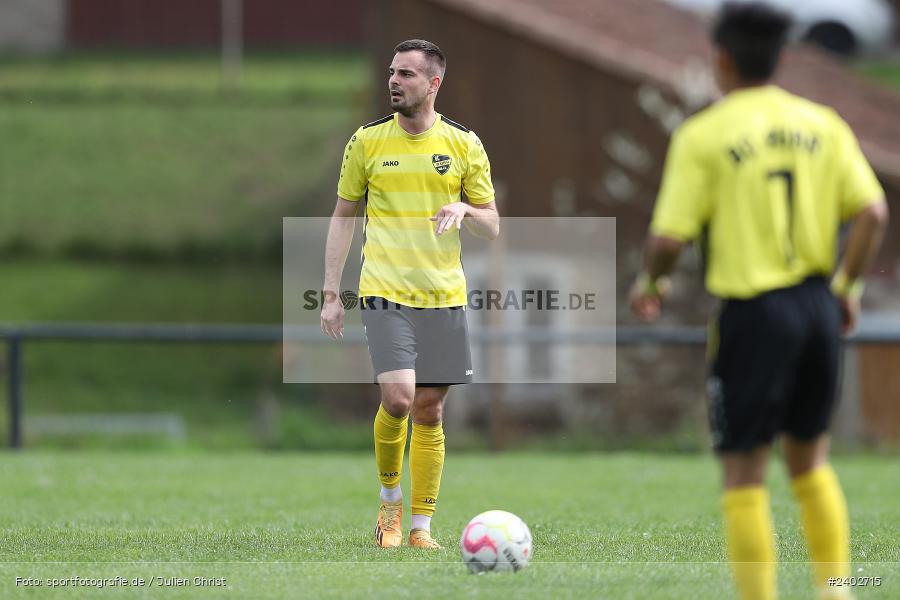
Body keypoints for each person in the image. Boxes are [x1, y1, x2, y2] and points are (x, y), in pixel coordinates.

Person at [629, 3, 889, 599]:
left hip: (753, 313)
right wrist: (846, 287)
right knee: (811, 462)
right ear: (780, 58)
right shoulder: (822, 123)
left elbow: (667, 238)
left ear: (721, 59)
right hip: (817, 306)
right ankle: (836, 590)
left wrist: (652, 284)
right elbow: (873, 212)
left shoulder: (705, 133)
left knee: (745, 472)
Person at [320, 39, 499, 549]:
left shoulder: (464, 144)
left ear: (434, 83)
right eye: (392, 72)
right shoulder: (367, 141)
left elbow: (492, 225)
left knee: (429, 410)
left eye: (407, 74)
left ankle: (421, 528)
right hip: (384, 291)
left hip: (443, 295)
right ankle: (389, 505)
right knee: (398, 399)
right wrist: (331, 293)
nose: (394, 82)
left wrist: (466, 210)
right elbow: (343, 216)